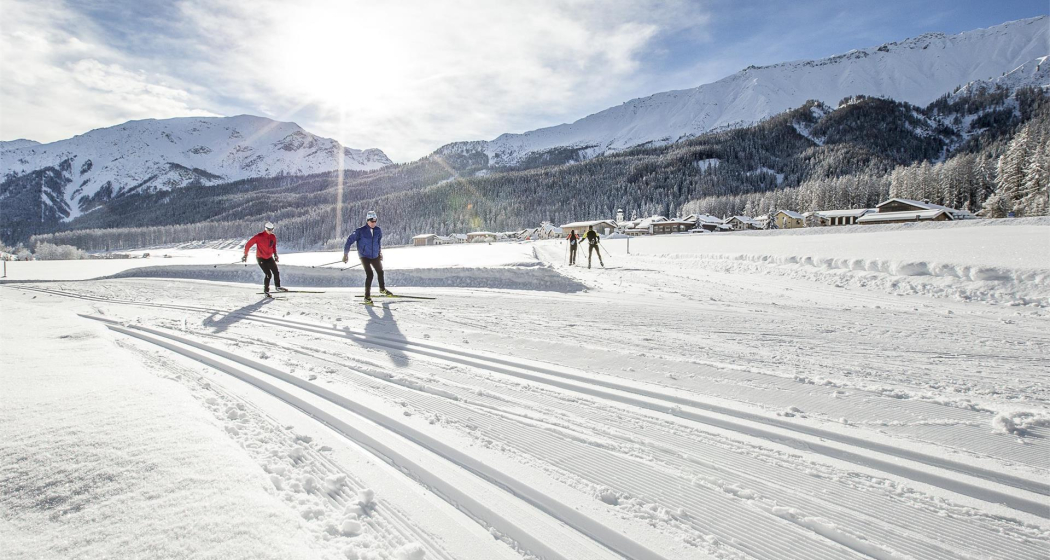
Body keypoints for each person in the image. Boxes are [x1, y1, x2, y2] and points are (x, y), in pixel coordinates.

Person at [343, 210, 393, 304]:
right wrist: (346, 254)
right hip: (364, 256)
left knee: (380, 271)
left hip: (375, 255)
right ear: (367, 220)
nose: (374, 223)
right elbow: (349, 241)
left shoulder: (378, 230)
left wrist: (379, 253)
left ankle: (382, 289)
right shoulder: (360, 231)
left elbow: (378, 242)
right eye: (371, 221)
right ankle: (367, 297)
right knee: (370, 274)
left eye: (375, 221)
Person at [243, 221, 287, 295]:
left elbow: (273, 246)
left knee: (276, 271)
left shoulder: (273, 237)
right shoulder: (259, 236)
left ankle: (278, 287)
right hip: (261, 258)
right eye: (269, 230)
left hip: (269, 257)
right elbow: (248, 245)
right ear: (265, 229)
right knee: (268, 274)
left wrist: (275, 255)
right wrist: (245, 255)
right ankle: (266, 291)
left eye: (272, 229)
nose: (271, 231)